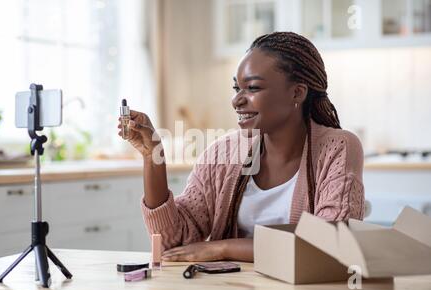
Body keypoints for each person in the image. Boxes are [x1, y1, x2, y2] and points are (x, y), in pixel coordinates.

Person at [117, 32, 364, 262]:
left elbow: (331, 244)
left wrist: (223, 247)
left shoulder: (337, 147)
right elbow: (173, 243)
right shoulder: (224, 153)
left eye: (253, 88)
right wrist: (152, 156)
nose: (237, 100)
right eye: (237, 88)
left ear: (297, 93)